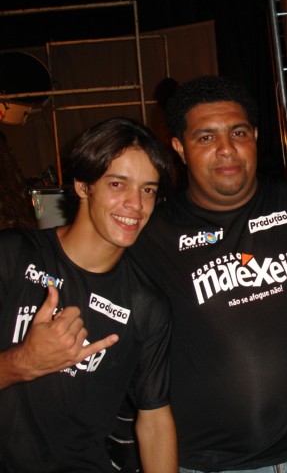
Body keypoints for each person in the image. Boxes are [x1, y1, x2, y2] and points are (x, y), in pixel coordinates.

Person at [129, 76, 287, 473]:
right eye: (206, 137)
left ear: (255, 136)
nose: (226, 149)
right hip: (210, 464)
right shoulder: (152, 235)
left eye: (238, 133)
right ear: (179, 148)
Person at [0, 117, 177, 472]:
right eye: (117, 184)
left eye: (148, 190)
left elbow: (155, 418)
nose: (135, 204)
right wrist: (23, 362)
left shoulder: (146, 304)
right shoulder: (12, 255)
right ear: (83, 185)